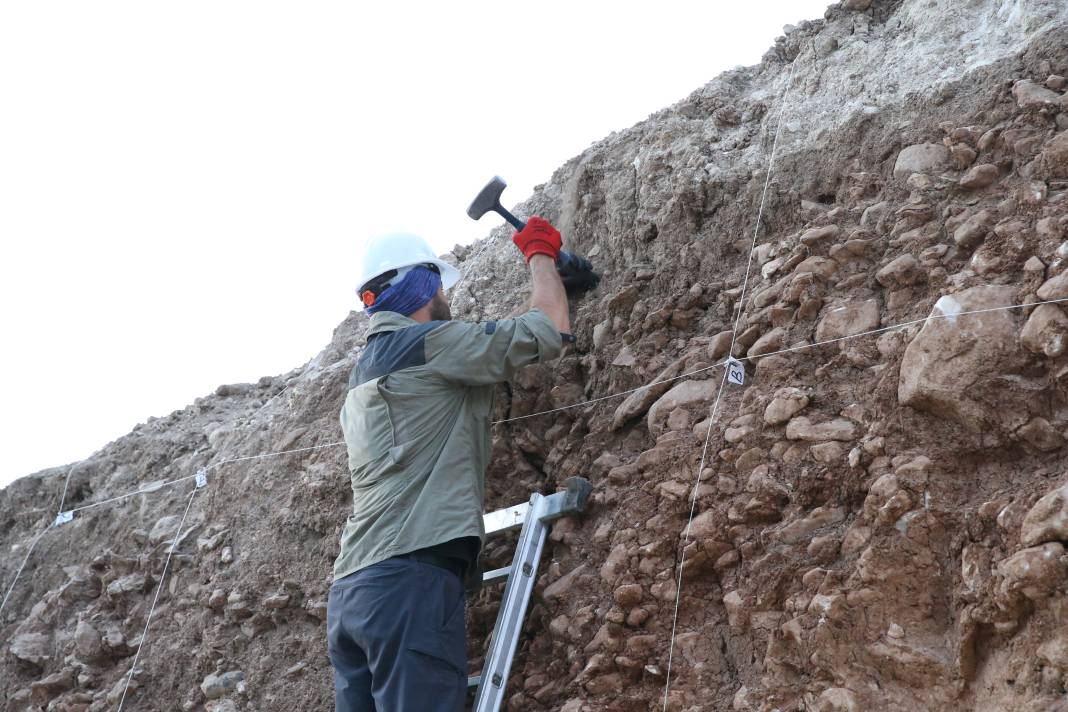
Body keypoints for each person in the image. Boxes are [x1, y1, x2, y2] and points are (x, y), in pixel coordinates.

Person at [327, 217, 574, 711]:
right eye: (437, 283)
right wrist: (542, 256)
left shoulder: (359, 377)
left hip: (351, 594)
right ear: (422, 283)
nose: (444, 294)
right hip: (408, 583)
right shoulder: (432, 344)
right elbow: (547, 330)